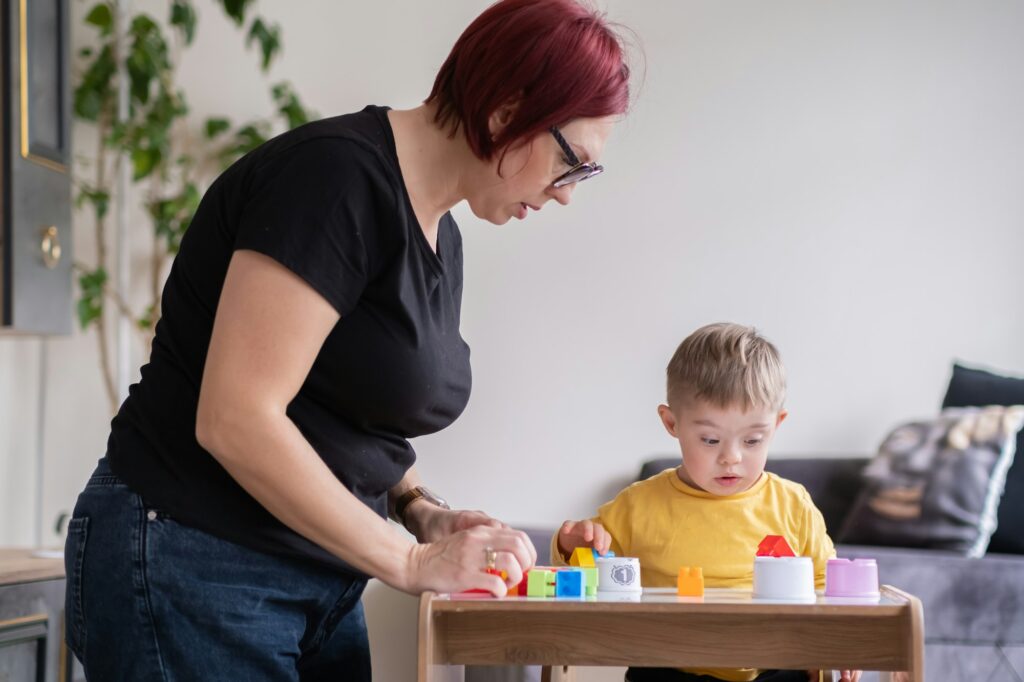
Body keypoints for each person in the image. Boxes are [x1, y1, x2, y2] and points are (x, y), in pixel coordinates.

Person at [63, 1, 632, 679]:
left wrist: (423, 513)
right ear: (508, 110)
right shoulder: (333, 179)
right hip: (196, 558)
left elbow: (347, 410)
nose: (568, 194)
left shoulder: (439, 232)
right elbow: (236, 418)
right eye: (573, 164)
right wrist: (413, 563)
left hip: (312, 577)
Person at [554, 323, 861, 682]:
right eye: (711, 440)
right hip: (672, 668)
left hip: (776, 667)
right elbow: (584, 572)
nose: (731, 458)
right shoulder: (638, 505)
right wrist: (571, 545)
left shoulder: (792, 503)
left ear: (777, 425)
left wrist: (837, 643)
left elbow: (826, 581)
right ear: (672, 422)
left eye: (752, 440)